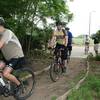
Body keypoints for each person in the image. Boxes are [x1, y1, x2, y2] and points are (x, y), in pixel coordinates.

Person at [0, 17, 25, 93]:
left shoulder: (7, 32)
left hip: (16, 56)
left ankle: (20, 85)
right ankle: (5, 86)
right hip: (7, 58)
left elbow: (0, 44)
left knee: (5, 73)